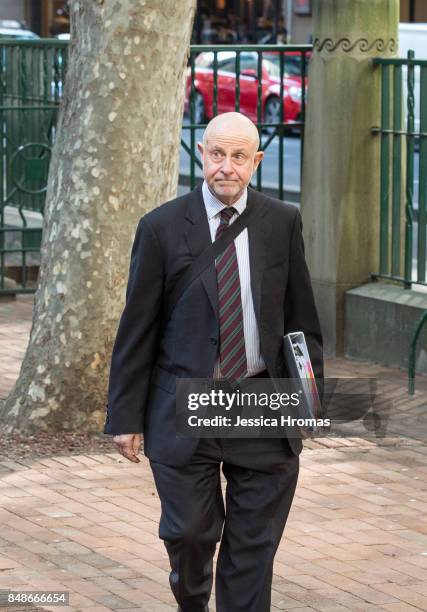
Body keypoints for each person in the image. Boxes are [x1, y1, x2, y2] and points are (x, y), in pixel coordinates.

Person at [103, 112, 323, 612]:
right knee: (191, 535)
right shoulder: (160, 228)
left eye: (239, 157)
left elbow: (301, 322)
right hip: (184, 407)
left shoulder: (281, 221)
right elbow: (137, 328)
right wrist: (125, 417)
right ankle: (193, 599)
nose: (227, 167)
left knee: (252, 548)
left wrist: (309, 401)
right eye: (217, 154)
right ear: (201, 154)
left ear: (256, 161)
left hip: (260, 403)